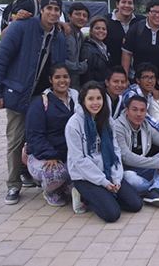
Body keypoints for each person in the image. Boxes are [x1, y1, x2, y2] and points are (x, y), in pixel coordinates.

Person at [0, 0, 67, 205]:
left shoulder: (59, 35)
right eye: (48, 9)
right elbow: (1, 61)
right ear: (41, 10)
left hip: (43, 98)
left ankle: (41, 177)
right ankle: (13, 185)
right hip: (18, 94)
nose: (52, 13)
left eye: (56, 10)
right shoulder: (21, 27)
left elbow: (59, 68)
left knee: (42, 136)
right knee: (15, 140)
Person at [66, 81, 142, 222]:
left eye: (99, 98)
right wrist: (104, 183)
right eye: (90, 99)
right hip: (85, 177)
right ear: (83, 100)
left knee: (135, 204)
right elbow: (79, 160)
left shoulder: (107, 120)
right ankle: (82, 196)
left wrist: (116, 178)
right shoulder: (73, 124)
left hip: (108, 173)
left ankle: (106, 196)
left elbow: (115, 151)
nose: (95, 103)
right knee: (112, 215)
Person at [25, 64, 79, 206]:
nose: (62, 81)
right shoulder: (41, 103)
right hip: (44, 156)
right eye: (57, 77)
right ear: (50, 80)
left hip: (68, 155)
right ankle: (49, 191)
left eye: (65, 77)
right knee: (56, 174)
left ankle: (65, 187)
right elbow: (34, 135)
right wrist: (50, 155)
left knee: (81, 174)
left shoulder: (77, 100)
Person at [116, 95, 159, 207]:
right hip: (124, 171)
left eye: (142, 110)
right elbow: (126, 157)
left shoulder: (146, 125)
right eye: (134, 110)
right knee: (130, 178)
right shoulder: (117, 127)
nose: (138, 114)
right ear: (126, 111)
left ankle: (155, 190)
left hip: (143, 168)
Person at [123, 63, 159, 144]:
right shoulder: (131, 94)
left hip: (145, 129)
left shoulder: (151, 93)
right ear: (138, 80)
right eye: (146, 77)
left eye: (152, 78)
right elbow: (145, 116)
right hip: (127, 130)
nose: (150, 81)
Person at [122, 0, 159, 80]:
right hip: (139, 81)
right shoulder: (136, 29)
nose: (157, 15)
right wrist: (125, 78)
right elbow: (126, 54)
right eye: (154, 12)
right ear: (148, 13)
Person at [103, 0, 146, 67]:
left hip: (136, 72)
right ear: (117, 4)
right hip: (112, 71)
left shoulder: (141, 21)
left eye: (130, 3)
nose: (127, 6)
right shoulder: (106, 21)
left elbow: (157, 17)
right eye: (123, 2)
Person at [65, 3, 89, 89]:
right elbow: (59, 61)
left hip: (74, 86)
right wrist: (82, 67)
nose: (81, 18)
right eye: (77, 14)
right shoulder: (63, 33)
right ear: (69, 16)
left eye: (84, 16)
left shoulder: (81, 36)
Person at [80, 17, 110, 84]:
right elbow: (87, 75)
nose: (101, 31)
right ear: (91, 31)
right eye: (97, 28)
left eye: (104, 29)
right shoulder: (87, 50)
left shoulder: (105, 47)